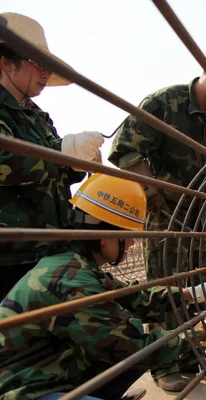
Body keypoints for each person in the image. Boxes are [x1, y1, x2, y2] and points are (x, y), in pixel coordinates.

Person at [108, 44, 206, 391]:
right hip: (165, 213)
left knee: (195, 288)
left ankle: (191, 354)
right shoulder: (164, 103)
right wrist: (150, 192)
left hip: (196, 216)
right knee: (166, 287)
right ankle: (164, 364)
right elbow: (123, 149)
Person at [0, 173, 206, 400]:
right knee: (134, 351)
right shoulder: (73, 283)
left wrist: (191, 293)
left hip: (48, 370)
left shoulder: (75, 265)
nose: (132, 243)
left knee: (131, 353)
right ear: (106, 235)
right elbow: (131, 345)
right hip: (20, 388)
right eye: (128, 234)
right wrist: (200, 333)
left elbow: (132, 296)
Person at [0, 13, 104, 299]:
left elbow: (57, 172)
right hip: (10, 257)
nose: (45, 73)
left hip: (49, 248)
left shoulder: (37, 116)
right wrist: (62, 152)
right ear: (6, 62)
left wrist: (79, 161)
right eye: (38, 64)